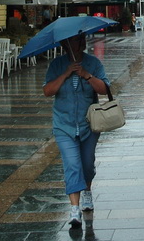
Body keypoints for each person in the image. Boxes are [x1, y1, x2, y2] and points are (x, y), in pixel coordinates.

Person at [43, 33, 110, 228]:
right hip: (64, 125)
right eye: (72, 40)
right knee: (72, 164)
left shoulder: (93, 63)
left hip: (89, 124)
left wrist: (86, 75)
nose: (78, 44)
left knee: (87, 164)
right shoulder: (56, 65)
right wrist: (65, 74)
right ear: (65, 44)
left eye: (80, 40)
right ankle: (74, 209)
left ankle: (87, 192)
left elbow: (105, 89)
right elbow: (47, 91)